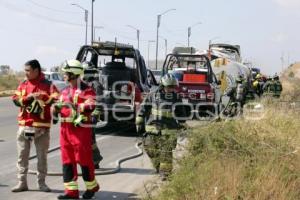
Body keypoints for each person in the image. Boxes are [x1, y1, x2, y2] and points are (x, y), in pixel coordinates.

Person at [53, 60, 100, 199]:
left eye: (66, 72)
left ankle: (92, 187)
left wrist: (77, 107)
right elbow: (58, 105)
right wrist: (55, 109)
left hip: (80, 131)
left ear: (74, 74)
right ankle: (71, 192)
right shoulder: (65, 90)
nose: (64, 75)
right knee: (67, 161)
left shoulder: (87, 89)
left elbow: (91, 104)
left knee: (84, 160)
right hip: (65, 131)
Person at [11, 59, 59, 192]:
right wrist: (29, 97)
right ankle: (22, 183)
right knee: (22, 156)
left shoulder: (48, 85)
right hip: (24, 126)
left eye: (28, 70)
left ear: (36, 70)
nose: (25, 73)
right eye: (25, 70)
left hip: (42, 128)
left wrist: (43, 97)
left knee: (42, 156)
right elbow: (15, 100)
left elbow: (56, 98)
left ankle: (41, 183)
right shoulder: (23, 84)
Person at [136, 74, 186, 180]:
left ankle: (166, 174)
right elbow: (144, 108)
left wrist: (182, 124)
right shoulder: (152, 95)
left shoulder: (176, 98)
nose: (171, 89)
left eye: (173, 87)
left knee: (166, 152)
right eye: (169, 87)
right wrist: (139, 120)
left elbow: (181, 113)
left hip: (169, 129)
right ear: (162, 86)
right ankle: (159, 167)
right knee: (150, 149)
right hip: (152, 128)